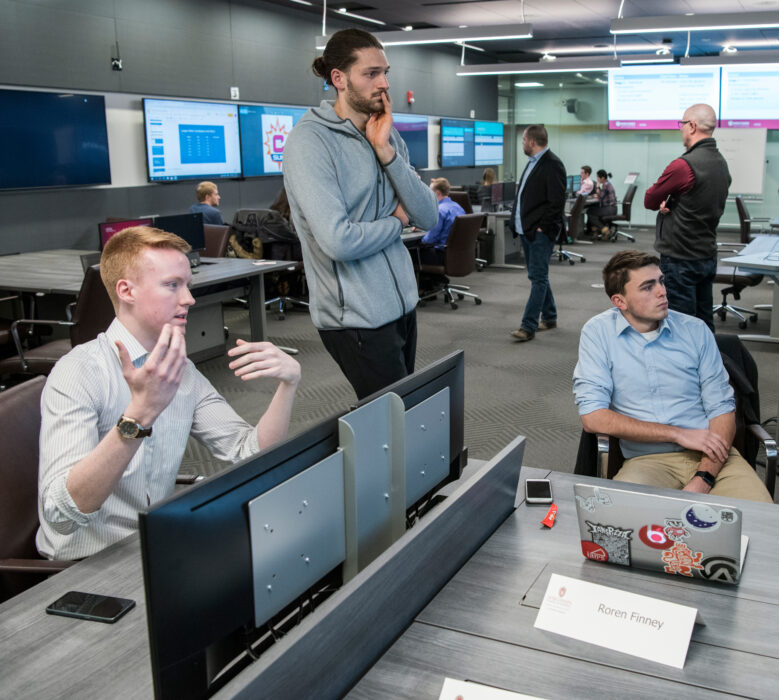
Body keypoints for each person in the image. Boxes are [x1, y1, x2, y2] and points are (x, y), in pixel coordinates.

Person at [36, 226, 302, 560]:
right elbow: (60, 516)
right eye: (172, 285)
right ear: (126, 291)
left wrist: (287, 386)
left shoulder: (182, 370)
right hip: (84, 564)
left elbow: (251, 452)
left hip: (148, 547)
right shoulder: (79, 372)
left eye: (187, 284)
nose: (189, 298)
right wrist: (139, 416)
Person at [282, 28, 437, 399]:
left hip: (401, 305)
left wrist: (385, 151)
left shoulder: (383, 129)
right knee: (391, 423)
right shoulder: (310, 142)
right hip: (354, 317)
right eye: (370, 74)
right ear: (338, 78)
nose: (383, 83)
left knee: (399, 419)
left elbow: (429, 216)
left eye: (385, 72)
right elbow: (338, 240)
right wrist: (397, 221)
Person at [572, 250, 773, 503]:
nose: (662, 291)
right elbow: (593, 417)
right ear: (620, 301)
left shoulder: (695, 330)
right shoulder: (598, 333)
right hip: (647, 461)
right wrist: (677, 433)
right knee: (620, 520)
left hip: (712, 455)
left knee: (761, 520)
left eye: (661, 281)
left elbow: (722, 408)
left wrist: (705, 478)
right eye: (647, 287)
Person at [643, 103, 731, 331]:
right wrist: (672, 203)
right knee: (703, 324)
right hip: (706, 255)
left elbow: (650, 200)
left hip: (681, 259)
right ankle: (708, 366)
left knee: (680, 327)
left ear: (692, 126)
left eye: (681, 124)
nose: (680, 129)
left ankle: (683, 368)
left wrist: (664, 202)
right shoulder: (721, 164)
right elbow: (698, 200)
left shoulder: (683, 166)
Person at [509, 124, 567, 342]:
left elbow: (556, 201)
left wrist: (543, 226)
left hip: (540, 232)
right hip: (527, 230)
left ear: (532, 141)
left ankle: (528, 325)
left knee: (539, 278)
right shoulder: (533, 163)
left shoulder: (552, 164)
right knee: (537, 275)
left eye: (523, 140)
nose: (522, 143)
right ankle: (550, 316)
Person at [418, 177, 467, 268]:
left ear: (437, 193)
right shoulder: (458, 207)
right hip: (457, 254)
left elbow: (428, 240)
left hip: (440, 255)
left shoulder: (439, 211)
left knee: (411, 253)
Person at [586, 169, 617, 239]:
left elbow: (600, 196)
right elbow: (601, 195)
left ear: (602, 178)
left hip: (610, 209)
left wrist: (597, 186)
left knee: (589, 212)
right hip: (612, 208)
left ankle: (604, 230)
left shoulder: (605, 185)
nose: (597, 179)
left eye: (598, 177)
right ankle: (598, 231)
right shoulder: (607, 184)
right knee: (593, 211)